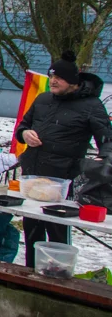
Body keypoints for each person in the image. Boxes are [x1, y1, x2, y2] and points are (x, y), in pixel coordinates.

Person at [15, 50, 112, 267]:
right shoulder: (43, 99)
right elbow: (22, 126)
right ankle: (31, 273)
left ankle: (57, 275)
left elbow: (107, 140)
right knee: (32, 229)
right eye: (51, 77)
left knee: (57, 230)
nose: (53, 81)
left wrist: (103, 161)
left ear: (73, 81)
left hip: (63, 180)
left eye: (58, 78)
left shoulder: (91, 105)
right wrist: (24, 134)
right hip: (32, 175)